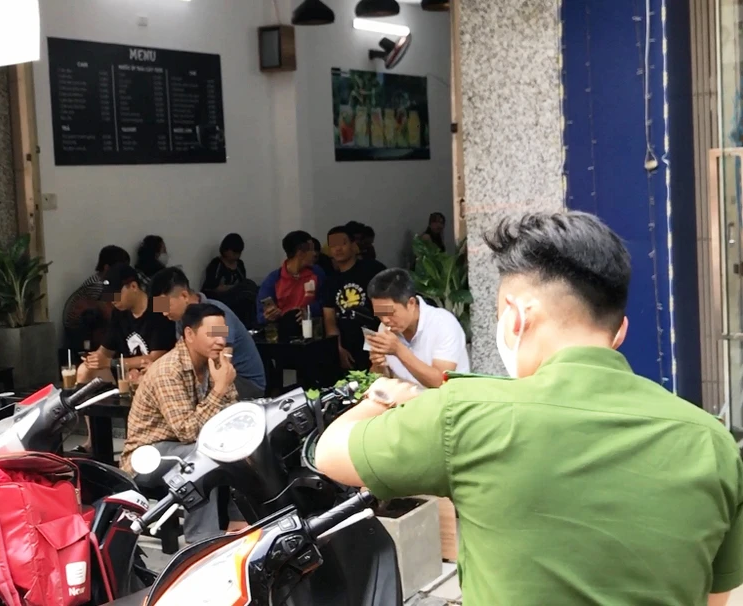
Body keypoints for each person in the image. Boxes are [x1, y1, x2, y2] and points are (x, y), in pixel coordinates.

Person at [314, 211, 743, 606]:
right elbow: (715, 599)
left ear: (516, 318)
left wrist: (379, 397)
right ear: (620, 331)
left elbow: (329, 454)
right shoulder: (713, 443)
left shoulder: (464, 415)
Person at [120, 303, 238, 543]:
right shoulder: (168, 369)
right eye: (212, 334)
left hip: (184, 448)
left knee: (244, 445)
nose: (220, 341)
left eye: (222, 334)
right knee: (203, 455)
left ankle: (240, 521)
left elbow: (233, 415)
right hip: (146, 458)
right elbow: (187, 431)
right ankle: (201, 541)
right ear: (189, 334)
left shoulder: (216, 363)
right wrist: (220, 388)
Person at [151, 267, 266, 398]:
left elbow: (223, 358)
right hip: (210, 375)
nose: (164, 313)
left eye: (166, 306)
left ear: (184, 296)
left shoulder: (216, 315)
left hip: (244, 381)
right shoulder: (180, 320)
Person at [364, 268, 469, 387]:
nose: (385, 320)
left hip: (447, 397)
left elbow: (440, 382)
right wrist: (378, 365)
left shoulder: (444, 324)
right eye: (380, 314)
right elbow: (382, 380)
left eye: (390, 312)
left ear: (411, 303)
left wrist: (398, 350)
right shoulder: (384, 328)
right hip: (405, 397)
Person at [77, 264, 176, 384]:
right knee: (84, 369)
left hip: (155, 371)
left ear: (133, 286)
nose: (112, 300)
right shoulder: (118, 312)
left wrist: (111, 362)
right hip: (125, 373)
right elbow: (105, 351)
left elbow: (156, 357)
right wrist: (94, 359)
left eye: (116, 294)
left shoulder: (159, 305)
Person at [322, 226, 386, 370]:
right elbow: (329, 318)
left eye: (343, 243)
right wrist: (337, 348)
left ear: (353, 245)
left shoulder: (373, 269)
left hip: (376, 341)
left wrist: (384, 340)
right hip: (347, 346)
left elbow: (386, 305)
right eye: (333, 245)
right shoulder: (330, 281)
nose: (338, 249)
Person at [256, 230, 326, 324]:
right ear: (300, 253)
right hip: (284, 328)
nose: (315, 254)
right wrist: (268, 316)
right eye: (311, 250)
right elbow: (260, 316)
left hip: (311, 326)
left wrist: (310, 310)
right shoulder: (273, 280)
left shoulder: (317, 273)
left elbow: (327, 302)